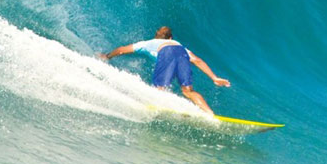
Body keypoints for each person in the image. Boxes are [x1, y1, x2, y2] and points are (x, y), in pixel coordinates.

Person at [98, 26, 230, 114]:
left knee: (159, 89)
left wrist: (107, 56)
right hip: (181, 54)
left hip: (166, 53)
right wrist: (214, 77)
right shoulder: (179, 45)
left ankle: (155, 110)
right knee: (188, 91)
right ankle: (209, 114)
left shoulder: (148, 43)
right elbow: (197, 60)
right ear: (171, 38)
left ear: (156, 36)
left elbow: (121, 50)